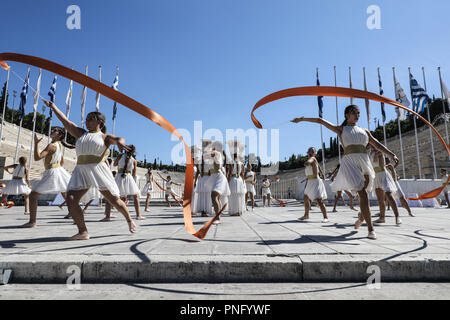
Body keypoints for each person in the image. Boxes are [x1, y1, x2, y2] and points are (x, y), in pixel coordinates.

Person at [292, 104, 399, 240]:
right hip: (350, 164)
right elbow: (321, 121)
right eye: (354, 112)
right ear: (347, 115)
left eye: (358, 113)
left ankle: (361, 217)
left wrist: (391, 154)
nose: (357, 115)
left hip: (364, 162)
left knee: (364, 195)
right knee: (362, 194)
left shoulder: (364, 131)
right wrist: (302, 119)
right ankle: (371, 229)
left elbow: (377, 144)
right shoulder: (341, 129)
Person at [42, 99, 136, 240]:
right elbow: (65, 121)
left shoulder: (105, 137)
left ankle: (129, 220)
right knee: (71, 199)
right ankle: (83, 231)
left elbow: (119, 139)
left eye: (90, 119)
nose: (86, 122)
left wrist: (120, 144)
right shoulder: (81, 134)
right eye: (86, 119)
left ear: (100, 123)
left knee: (114, 200)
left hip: (97, 169)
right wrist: (53, 106)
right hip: (81, 170)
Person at [21, 129, 74, 228]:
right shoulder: (59, 145)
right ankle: (75, 216)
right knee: (66, 194)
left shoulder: (51, 146)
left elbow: (37, 157)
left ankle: (32, 222)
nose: (53, 131)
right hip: (58, 170)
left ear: (60, 135)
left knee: (33, 195)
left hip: (52, 172)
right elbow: (62, 161)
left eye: (55, 131)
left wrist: (36, 143)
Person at [370, 147, 402, 225]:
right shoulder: (370, 153)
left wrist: (378, 155)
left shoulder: (380, 152)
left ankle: (397, 216)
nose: (371, 146)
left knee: (389, 195)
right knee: (380, 199)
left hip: (383, 174)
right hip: (376, 176)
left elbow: (381, 164)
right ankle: (382, 218)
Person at [299, 147, 329, 222]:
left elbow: (309, 161)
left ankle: (326, 217)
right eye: (309, 151)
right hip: (310, 181)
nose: (310, 152)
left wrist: (307, 162)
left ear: (314, 153)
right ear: (307, 153)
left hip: (315, 181)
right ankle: (306, 215)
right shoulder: (312, 159)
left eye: (312, 151)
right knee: (306, 198)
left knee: (319, 200)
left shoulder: (313, 159)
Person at [114, 145, 144, 220]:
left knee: (113, 194)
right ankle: (138, 215)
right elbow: (134, 174)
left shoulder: (120, 156)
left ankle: (107, 215)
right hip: (128, 177)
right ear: (133, 152)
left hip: (119, 176)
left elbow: (114, 164)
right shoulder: (134, 160)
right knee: (135, 196)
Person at [206, 141, 230, 224]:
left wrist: (213, 156)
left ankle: (217, 218)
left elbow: (217, 167)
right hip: (213, 177)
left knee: (214, 196)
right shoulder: (211, 156)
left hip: (219, 176)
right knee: (217, 197)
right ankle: (218, 216)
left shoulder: (218, 154)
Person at [226, 140, 246, 216]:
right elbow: (242, 174)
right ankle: (239, 210)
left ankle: (234, 211)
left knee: (233, 195)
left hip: (233, 180)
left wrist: (227, 182)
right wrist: (243, 182)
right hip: (240, 180)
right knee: (239, 195)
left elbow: (230, 173)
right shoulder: (241, 163)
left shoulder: (231, 163)